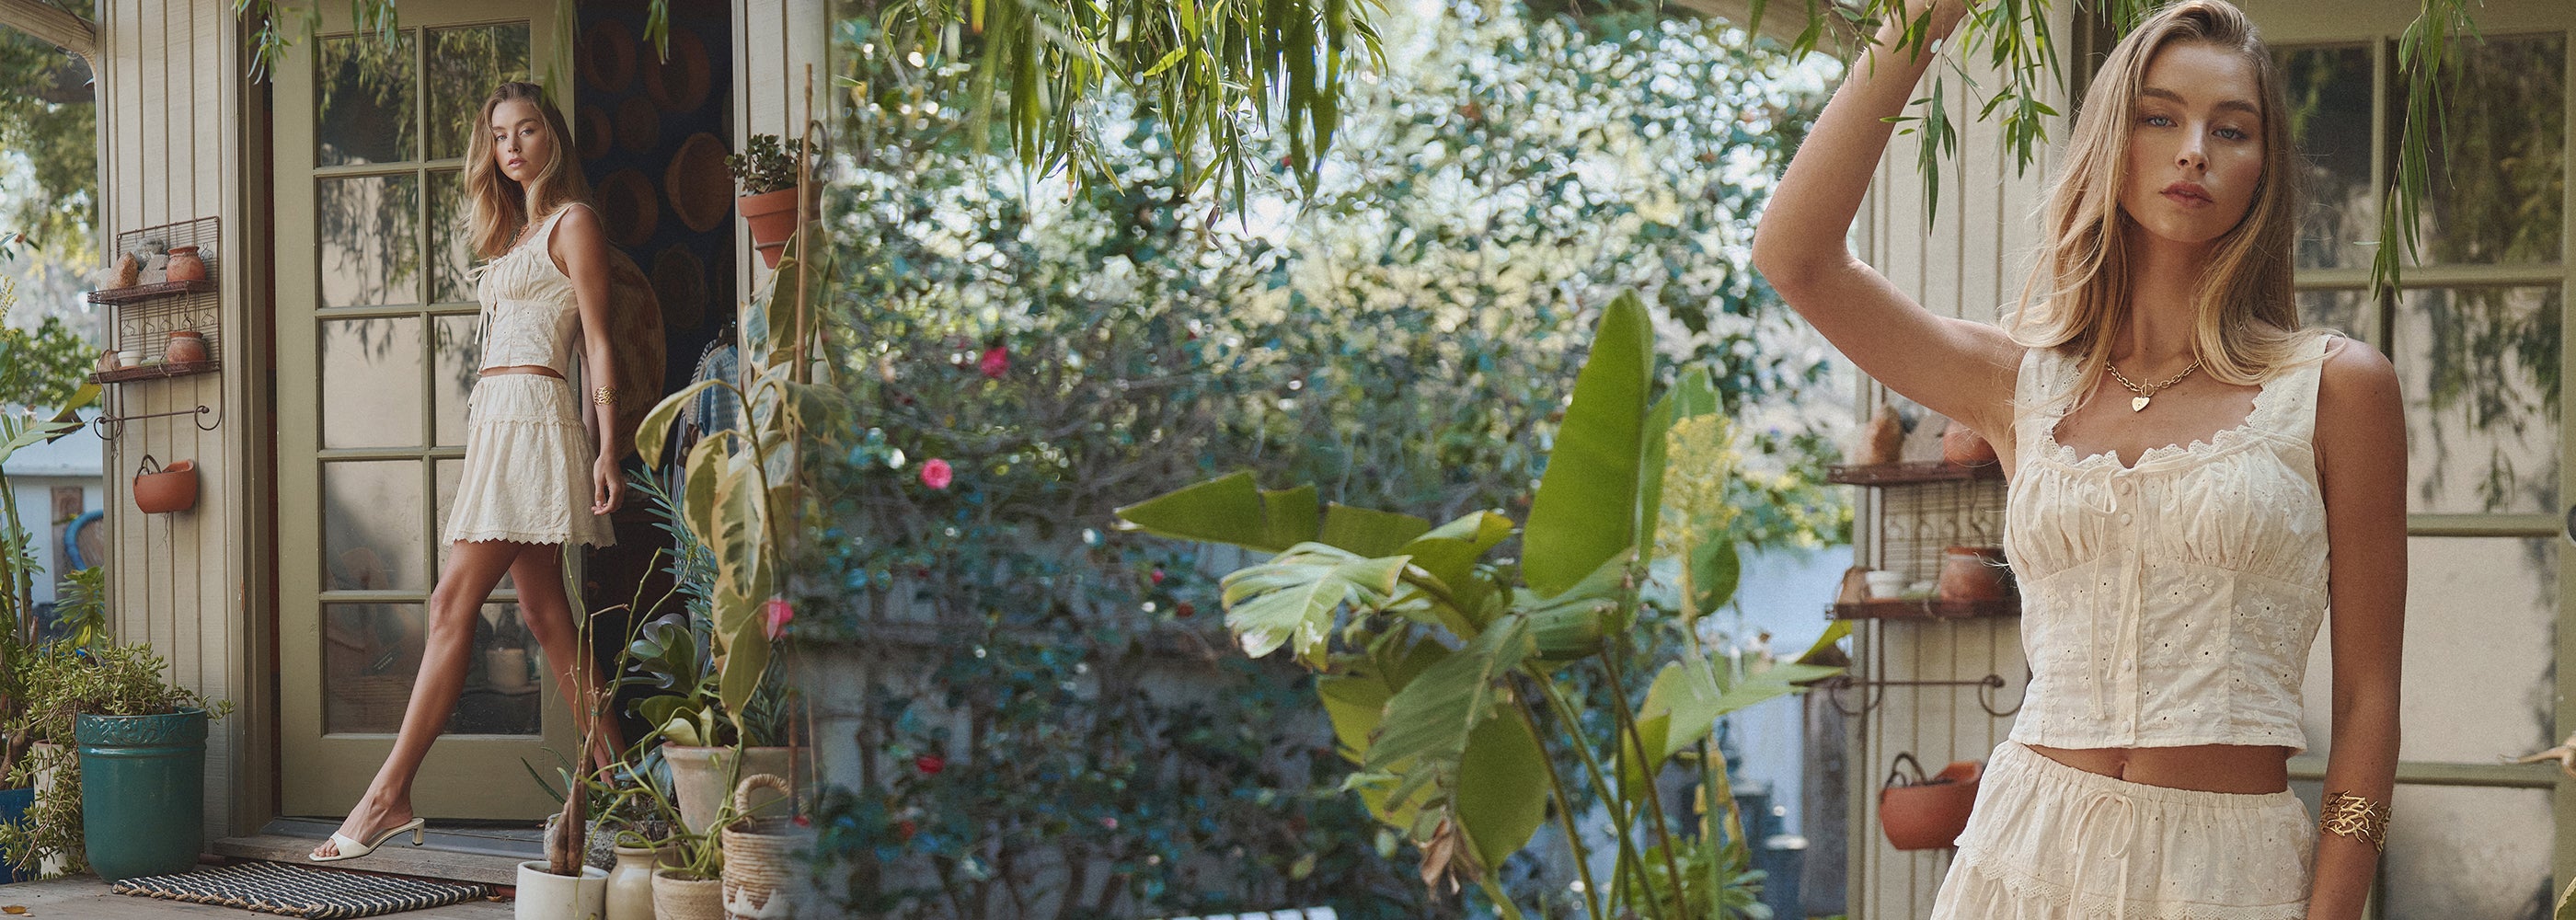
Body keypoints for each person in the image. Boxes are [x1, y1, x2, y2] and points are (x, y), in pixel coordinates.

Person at [1751, 1, 2403, 916]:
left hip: (2228, 873)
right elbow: (1797, 258)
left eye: (2231, 129)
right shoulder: (2020, 382)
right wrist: (1922, 18)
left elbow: (2369, 700)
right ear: (2110, 140)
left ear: (2265, 167)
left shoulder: (2335, 388)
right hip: (2022, 855)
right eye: (2159, 117)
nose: (2193, 151)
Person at [311, 81, 630, 862]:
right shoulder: (514, 235)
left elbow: (598, 342)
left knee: (450, 601)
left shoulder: (575, 222)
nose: (512, 146)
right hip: (498, 423)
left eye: (527, 129)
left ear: (553, 137)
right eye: (500, 135)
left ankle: (387, 796)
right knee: (548, 617)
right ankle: (631, 793)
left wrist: (608, 447)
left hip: (535, 421)